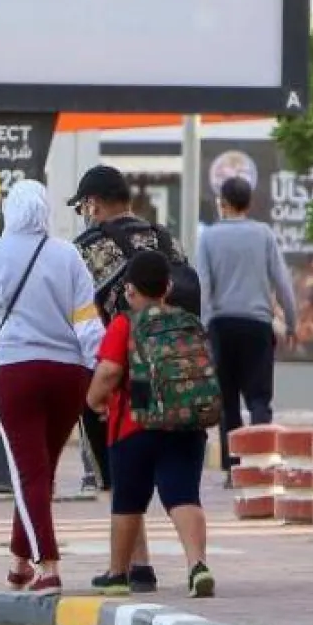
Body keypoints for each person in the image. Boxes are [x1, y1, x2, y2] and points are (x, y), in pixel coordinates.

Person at [0, 182, 103, 594]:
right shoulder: (68, 254)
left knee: (28, 472)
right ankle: (20, 561)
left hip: (16, 373)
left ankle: (48, 565)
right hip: (68, 376)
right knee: (42, 470)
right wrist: (99, 373)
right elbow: (88, 324)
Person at [71, 164, 190, 589]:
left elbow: (77, 314)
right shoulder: (164, 238)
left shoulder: (86, 247)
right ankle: (194, 563)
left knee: (120, 474)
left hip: (115, 374)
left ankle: (136, 564)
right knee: (176, 474)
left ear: (93, 204)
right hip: (173, 373)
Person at [85, 251, 217, 599]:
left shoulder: (125, 323)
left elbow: (110, 371)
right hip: (186, 423)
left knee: (128, 500)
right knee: (183, 495)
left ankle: (117, 574)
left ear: (129, 290)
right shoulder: (187, 321)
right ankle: (197, 566)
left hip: (135, 424)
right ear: (168, 287)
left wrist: (94, 400)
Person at [195, 176, 300, 476]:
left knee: (227, 401)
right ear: (250, 203)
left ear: (222, 203)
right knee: (259, 398)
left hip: (222, 326)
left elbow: (204, 286)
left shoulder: (209, 238)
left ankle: (234, 469)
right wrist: (290, 323)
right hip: (257, 326)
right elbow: (282, 282)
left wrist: (204, 328)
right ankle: (262, 465)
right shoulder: (264, 235)